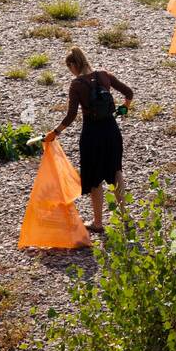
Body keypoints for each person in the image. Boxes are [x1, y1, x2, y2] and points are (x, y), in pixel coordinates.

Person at [47, 47, 133, 234]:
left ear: (73, 65)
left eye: (69, 67)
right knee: (116, 171)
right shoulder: (104, 75)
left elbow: (71, 116)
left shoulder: (76, 84)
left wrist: (55, 132)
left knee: (95, 178)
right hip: (111, 130)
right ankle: (125, 216)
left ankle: (98, 222)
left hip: (92, 133)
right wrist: (123, 109)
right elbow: (129, 93)